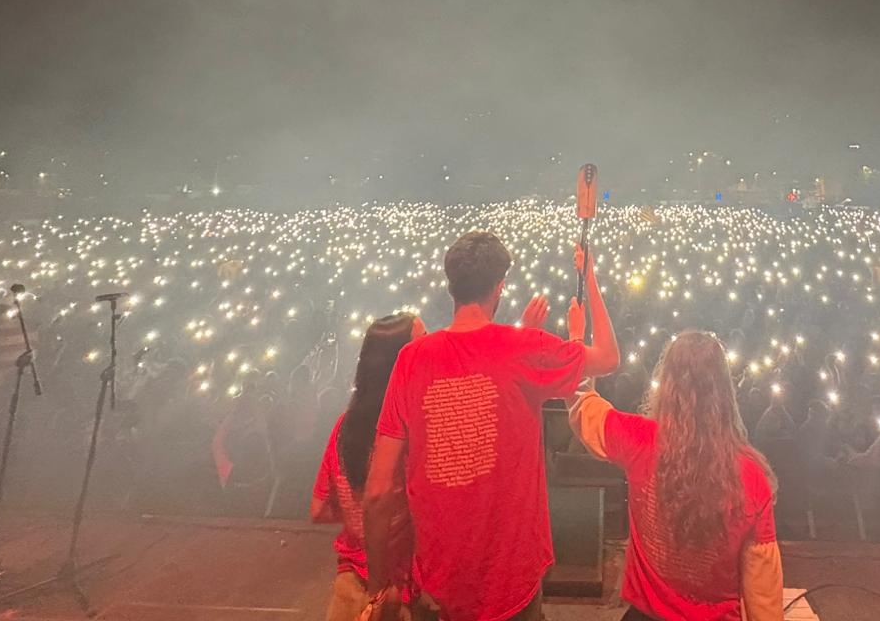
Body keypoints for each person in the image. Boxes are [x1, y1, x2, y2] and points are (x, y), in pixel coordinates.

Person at [364, 233, 619, 621]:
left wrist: (377, 583)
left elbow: (378, 491)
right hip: (510, 581)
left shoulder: (411, 359)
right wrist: (591, 278)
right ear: (500, 286)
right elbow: (607, 357)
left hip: (438, 583)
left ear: (451, 285)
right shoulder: (522, 349)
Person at [569, 331, 782, 621]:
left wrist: (577, 342)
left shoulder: (639, 441)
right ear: (724, 390)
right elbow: (764, 594)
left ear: (666, 385)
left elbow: (583, 406)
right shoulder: (751, 478)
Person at [312, 314, 424, 621]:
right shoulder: (410, 431)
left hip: (349, 595)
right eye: (421, 343)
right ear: (400, 363)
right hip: (397, 594)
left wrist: (354, 513)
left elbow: (318, 508)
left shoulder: (343, 427)